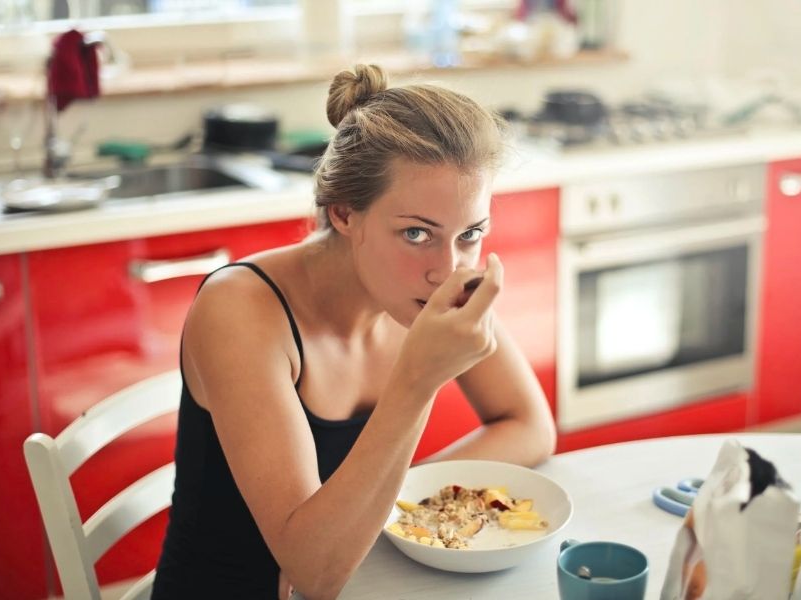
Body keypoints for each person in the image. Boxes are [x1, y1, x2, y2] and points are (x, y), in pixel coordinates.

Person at [151, 63, 556, 600]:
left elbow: (529, 425)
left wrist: (385, 511)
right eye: (416, 233)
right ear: (344, 213)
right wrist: (417, 382)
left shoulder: (437, 283)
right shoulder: (242, 311)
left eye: (471, 233)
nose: (448, 268)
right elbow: (315, 572)